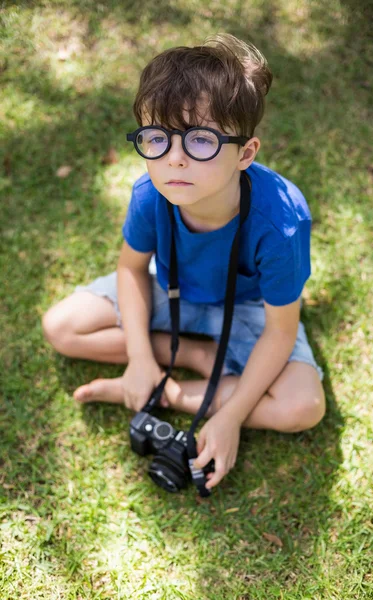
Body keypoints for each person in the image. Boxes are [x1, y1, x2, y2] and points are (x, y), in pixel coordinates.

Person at [42, 33, 325, 490]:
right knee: (61, 327)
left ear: (245, 154)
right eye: (157, 138)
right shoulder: (149, 194)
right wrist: (138, 357)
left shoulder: (281, 222)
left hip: (250, 309)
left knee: (303, 406)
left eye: (200, 141)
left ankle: (172, 389)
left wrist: (230, 417)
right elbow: (132, 269)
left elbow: (280, 329)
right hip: (170, 288)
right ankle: (195, 354)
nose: (174, 160)